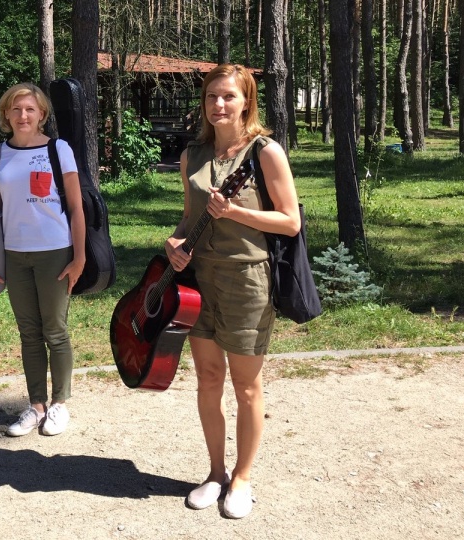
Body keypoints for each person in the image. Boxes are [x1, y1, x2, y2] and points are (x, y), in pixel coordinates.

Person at [163, 64, 300, 518]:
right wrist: (175, 242)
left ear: (246, 101)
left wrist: (236, 214)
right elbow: (189, 217)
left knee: (245, 385)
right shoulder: (193, 155)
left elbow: (290, 221)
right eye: (211, 97)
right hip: (198, 281)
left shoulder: (266, 152)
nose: (218, 105)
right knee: (206, 379)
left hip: (246, 280)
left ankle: (242, 478)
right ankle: (215, 472)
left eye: (228, 97)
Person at [0, 83, 86, 437]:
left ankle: (60, 404)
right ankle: (36, 405)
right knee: (28, 332)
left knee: (54, 330)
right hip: (14, 254)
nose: (22, 116)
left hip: (55, 252)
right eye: (15, 109)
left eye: (29, 109)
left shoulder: (59, 150)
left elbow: (75, 207)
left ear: (42, 114)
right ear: (6, 115)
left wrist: (79, 256)